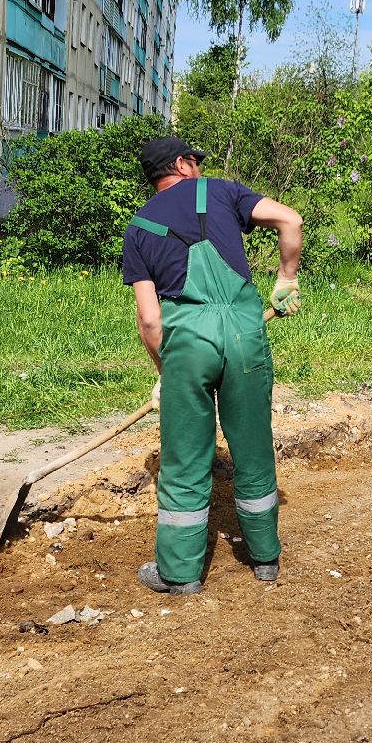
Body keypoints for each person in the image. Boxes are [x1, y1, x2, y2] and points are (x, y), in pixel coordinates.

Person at [122, 136, 304, 595]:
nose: (199, 169)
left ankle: (180, 574)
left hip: (187, 344)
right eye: (195, 162)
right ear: (182, 164)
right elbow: (291, 220)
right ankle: (265, 558)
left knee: (184, 457)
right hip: (245, 336)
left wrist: (166, 371)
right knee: (253, 447)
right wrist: (286, 279)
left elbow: (149, 320)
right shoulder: (222, 192)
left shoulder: (139, 227)